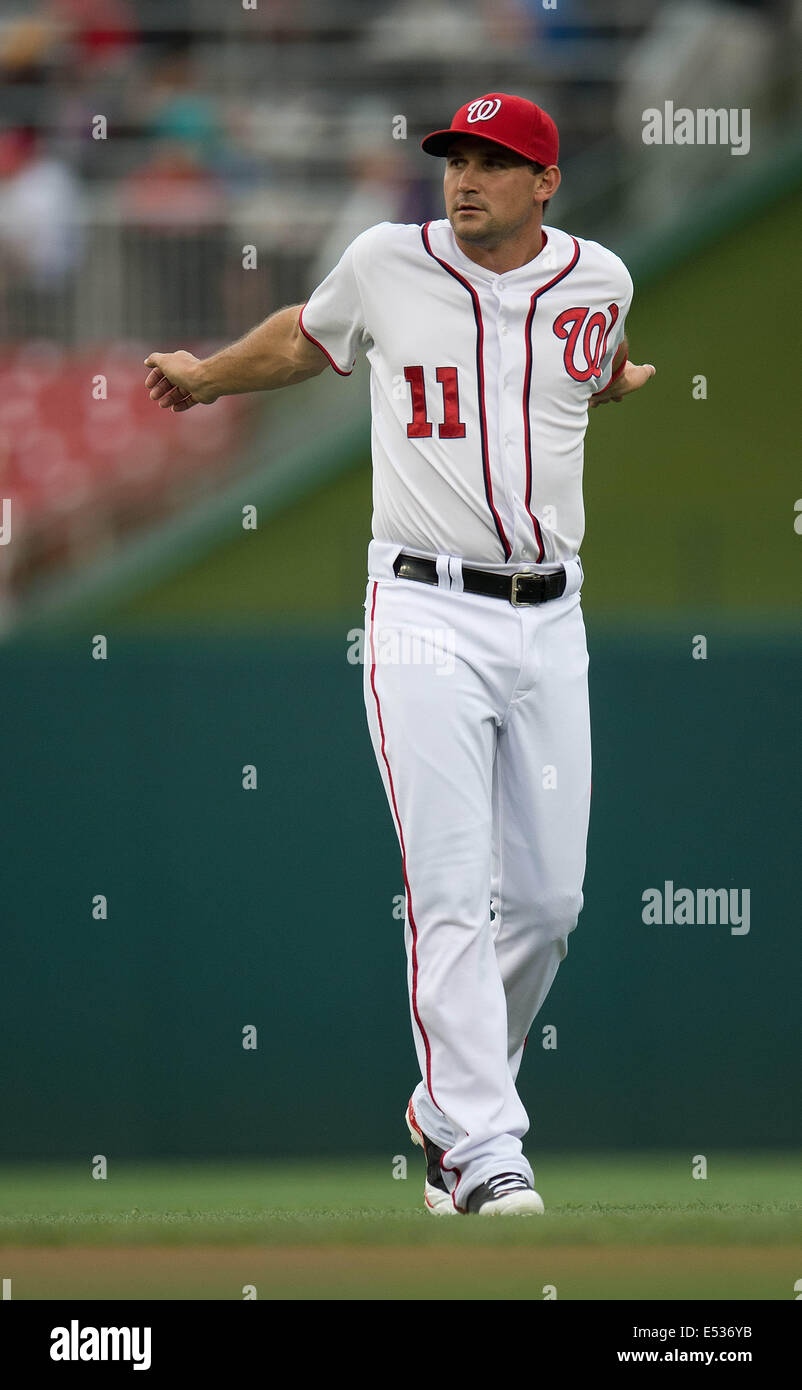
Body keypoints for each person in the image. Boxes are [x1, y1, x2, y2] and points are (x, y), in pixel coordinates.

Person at [144, 93, 655, 1216]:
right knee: (450, 891)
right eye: (454, 157)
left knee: (550, 902)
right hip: (423, 610)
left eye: (492, 160)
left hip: (551, 615)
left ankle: (442, 1107)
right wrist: (206, 373)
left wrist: (611, 383)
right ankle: (486, 1150)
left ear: (545, 182)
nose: (464, 176)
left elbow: (580, 372)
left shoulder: (601, 281)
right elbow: (303, 335)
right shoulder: (385, 260)